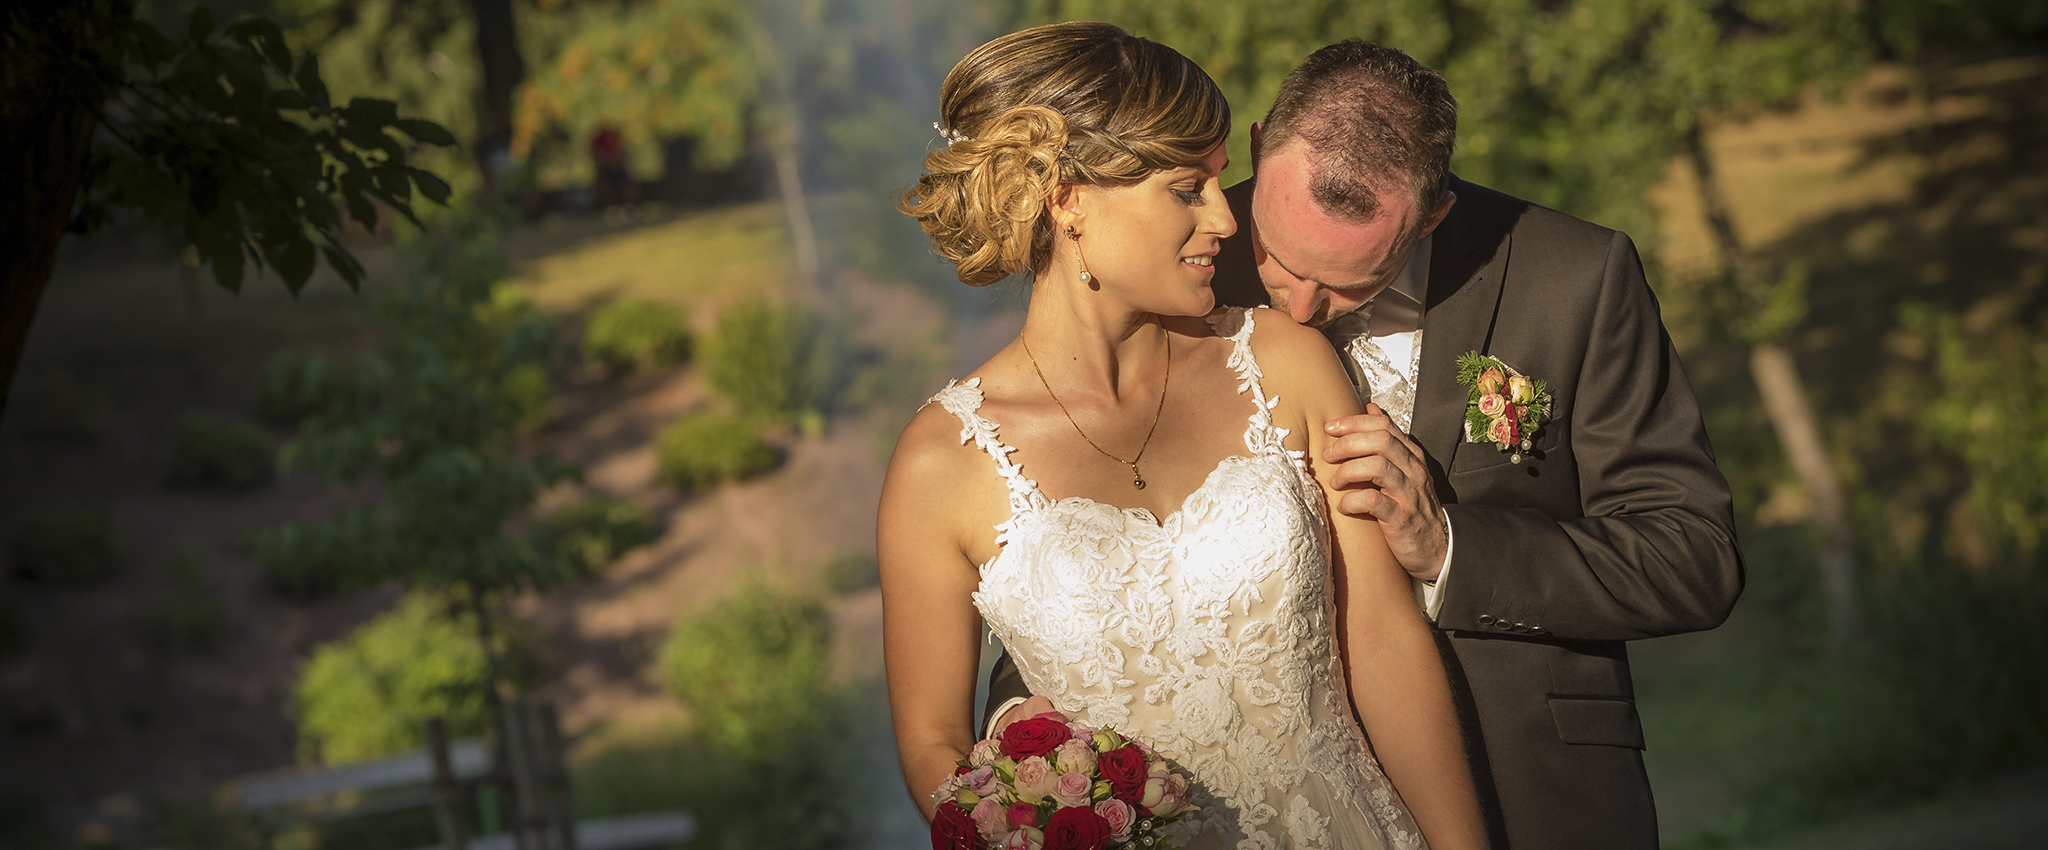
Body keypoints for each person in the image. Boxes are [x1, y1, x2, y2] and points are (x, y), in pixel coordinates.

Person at [984, 40, 1744, 850]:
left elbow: (1693, 557)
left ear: (1431, 215)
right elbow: (1070, 543)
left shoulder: (1574, 278)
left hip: (1532, 787)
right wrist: (1016, 717)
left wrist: (1450, 546)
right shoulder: (1170, 264)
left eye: (1349, 282)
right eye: (1277, 256)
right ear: (1257, 145)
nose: (1302, 310)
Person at [881, 22, 1487, 850]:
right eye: (1186, 188)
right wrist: (1022, 819)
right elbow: (931, 742)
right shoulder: (937, 464)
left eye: (1216, 181)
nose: (1225, 219)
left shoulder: (1286, 361)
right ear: (1067, 201)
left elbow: (1382, 641)